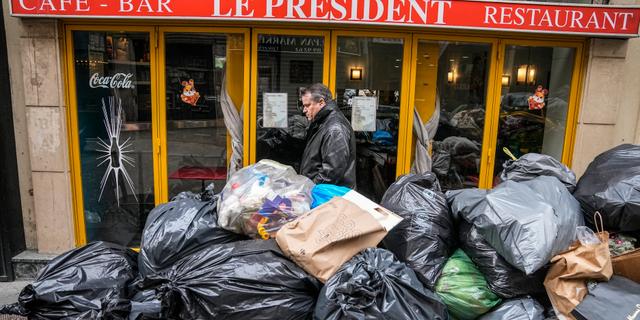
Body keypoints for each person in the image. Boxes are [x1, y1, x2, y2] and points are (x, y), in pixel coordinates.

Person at [299, 83, 356, 188]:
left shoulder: (334, 129)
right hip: (323, 195)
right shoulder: (322, 123)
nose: (304, 110)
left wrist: (309, 189)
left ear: (321, 102)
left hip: (329, 198)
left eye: (307, 105)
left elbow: (331, 173)